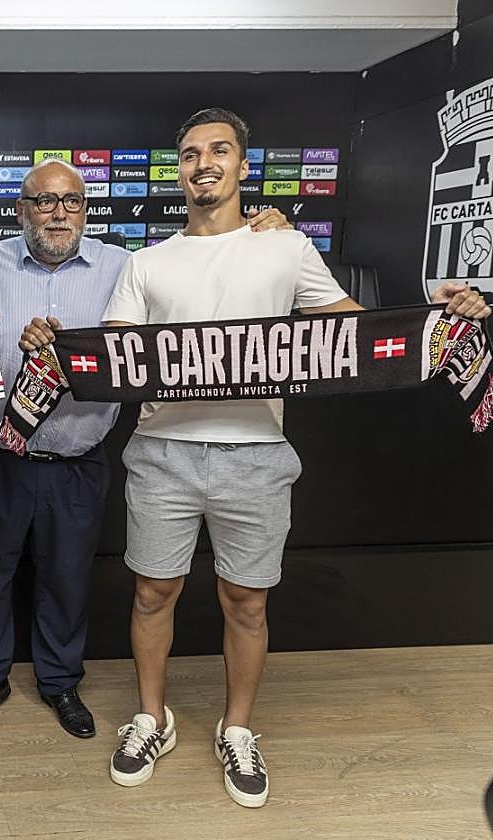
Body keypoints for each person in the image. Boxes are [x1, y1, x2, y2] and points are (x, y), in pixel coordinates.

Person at [100, 106, 490, 808]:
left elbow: (357, 330)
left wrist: (439, 320)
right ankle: (150, 718)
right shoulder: (145, 262)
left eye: (219, 150)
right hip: (161, 451)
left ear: (243, 166)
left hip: (256, 454)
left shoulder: (286, 248)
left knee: (246, 601)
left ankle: (237, 728)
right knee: (152, 592)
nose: (203, 163)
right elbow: (114, 352)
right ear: (178, 170)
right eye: (190, 153)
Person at [0, 159, 292, 739]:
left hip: (79, 455)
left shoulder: (125, 264)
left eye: (71, 202)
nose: (58, 213)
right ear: (20, 209)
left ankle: (60, 682)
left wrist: (266, 231)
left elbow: (195, 288)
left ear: (87, 209)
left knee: (66, 576)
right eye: (43, 201)